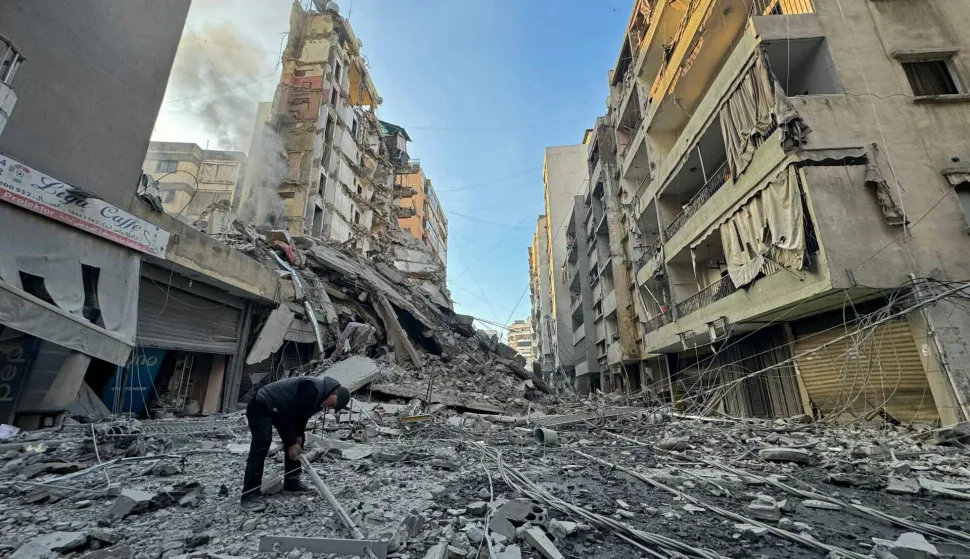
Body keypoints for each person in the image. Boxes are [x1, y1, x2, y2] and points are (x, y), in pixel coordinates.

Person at [241, 375, 351, 510]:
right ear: (333, 393)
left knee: (298, 441)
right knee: (262, 443)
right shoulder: (311, 389)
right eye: (332, 404)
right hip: (261, 404)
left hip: (280, 409)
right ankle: (249, 495)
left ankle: (291, 482)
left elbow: (301, 416)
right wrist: (291, 443)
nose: (329, 408)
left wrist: (297, 438)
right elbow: (288, 413)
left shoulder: (321, 397)